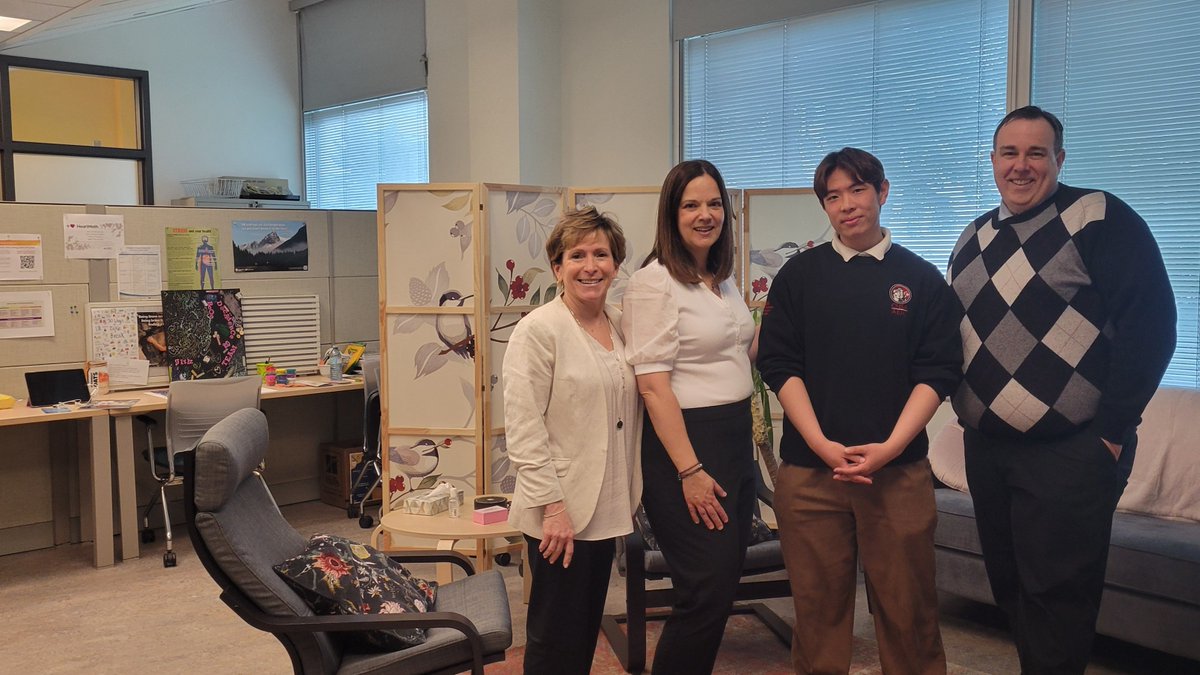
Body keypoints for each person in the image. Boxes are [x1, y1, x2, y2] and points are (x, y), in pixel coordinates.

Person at [947, 106, 1176, 674]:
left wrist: (1113, 431)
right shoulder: (973, 237)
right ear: (993, 160)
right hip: (990, 450)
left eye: (1035, 153)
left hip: (1072, 450)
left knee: (1058, 598)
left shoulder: (1098, 217)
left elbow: (1152, 325)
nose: (1020, 166)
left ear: (1059, 159)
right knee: (1012, 589)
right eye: (1009, 153)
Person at [757, 148, 962, 674]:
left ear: (882, 191)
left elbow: (937, 372)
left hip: (898, 474)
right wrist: (823, 445)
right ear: (824, 206)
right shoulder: (799, 276)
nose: (847, 204)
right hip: (810, 474)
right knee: (819, 615)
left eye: (858, 190)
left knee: (909, 613)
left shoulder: (920, 278)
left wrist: (891, 447)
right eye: (833, 195)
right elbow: (779, 365)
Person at [621, 159, 757, 674]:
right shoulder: (655, 282)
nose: (706, 214)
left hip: (733, 441)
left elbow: (735, 352)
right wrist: (691, 471)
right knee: (703, 591)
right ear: (671, 213)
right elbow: (654, 388)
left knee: (720, 588)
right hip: (687, 450)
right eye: (692, 205)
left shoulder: (717, 279)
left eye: (715, 203)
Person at [503, 206, 642, 675]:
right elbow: (523, 427)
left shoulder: (623, 323)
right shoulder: (539, 329)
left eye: (601, 254)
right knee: (554, 638)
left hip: (604, 506)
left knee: (582, 631)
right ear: (558, 267)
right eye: (576, 255)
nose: (590, 265)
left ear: (616, 265)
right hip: (558, 511)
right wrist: (552, 508)